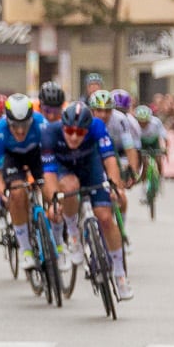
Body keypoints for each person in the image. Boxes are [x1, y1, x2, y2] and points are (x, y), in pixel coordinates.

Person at [43, 94, 129, 300]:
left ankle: (120, 275)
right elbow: (49, 175)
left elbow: (109, 160)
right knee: (70, 186)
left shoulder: (98, 127)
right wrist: (54, 201)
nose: (74, 137)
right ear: (63, 127)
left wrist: (116, 187)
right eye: (70, 131)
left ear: (87, 129)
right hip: (64, 170)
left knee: (106, 217)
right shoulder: (49, 133)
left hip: (90, 166)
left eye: (80, 132)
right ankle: (73, 235)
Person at [0, 92, 51, 269]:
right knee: (17, 193)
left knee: (48, 185)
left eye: (25, 125)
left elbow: (52, 160)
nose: (21, 131)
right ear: (8, 121)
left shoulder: (41, 124)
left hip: (36, 155)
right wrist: (4, 193)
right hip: (12, 158)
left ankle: (56, 235)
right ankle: (26, 250)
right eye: (15, 126)